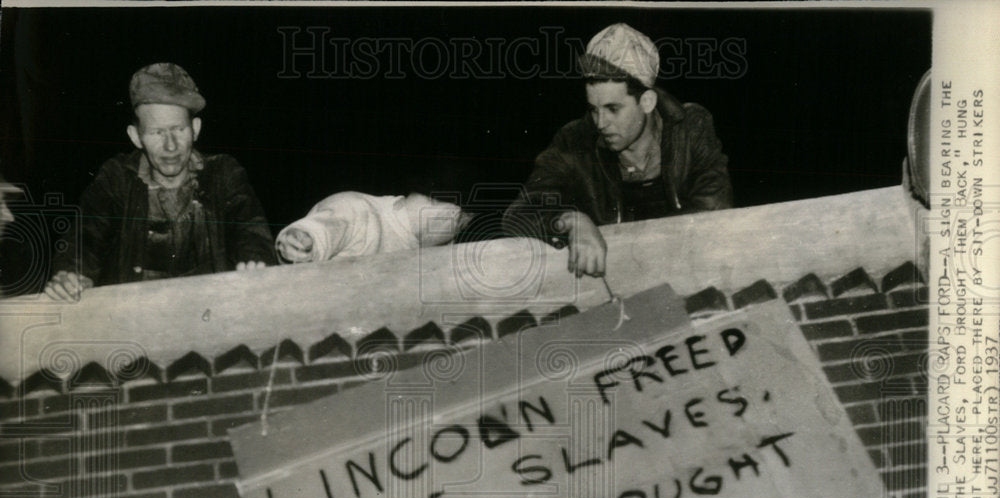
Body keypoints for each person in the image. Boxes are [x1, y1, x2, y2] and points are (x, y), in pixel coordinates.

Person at [503, 23, 732, 277]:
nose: (600, 123)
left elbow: (715, 211)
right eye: (594, 109)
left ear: (647, 102)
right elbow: (518, 214)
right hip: (613, 281)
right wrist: (570, 221)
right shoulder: (574, 140)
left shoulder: (691, 126)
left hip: (689, 269)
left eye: (613, 109)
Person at [44, 63, 275, 301]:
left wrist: (256, 262)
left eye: (179, 129)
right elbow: (86, 236)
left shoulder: (223, 173)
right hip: (135, 320)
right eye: (157, 133)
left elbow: (249, 228)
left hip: (212, 312)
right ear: (136, 137)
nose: (171, 146)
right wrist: (72, 274)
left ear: (195, 129)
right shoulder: (117, 179)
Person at [276, 191, 472, 263]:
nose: (459, 222)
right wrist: (304, 239)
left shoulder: (435, 249)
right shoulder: (360, 210)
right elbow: (330, 225)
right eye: (459, 217)